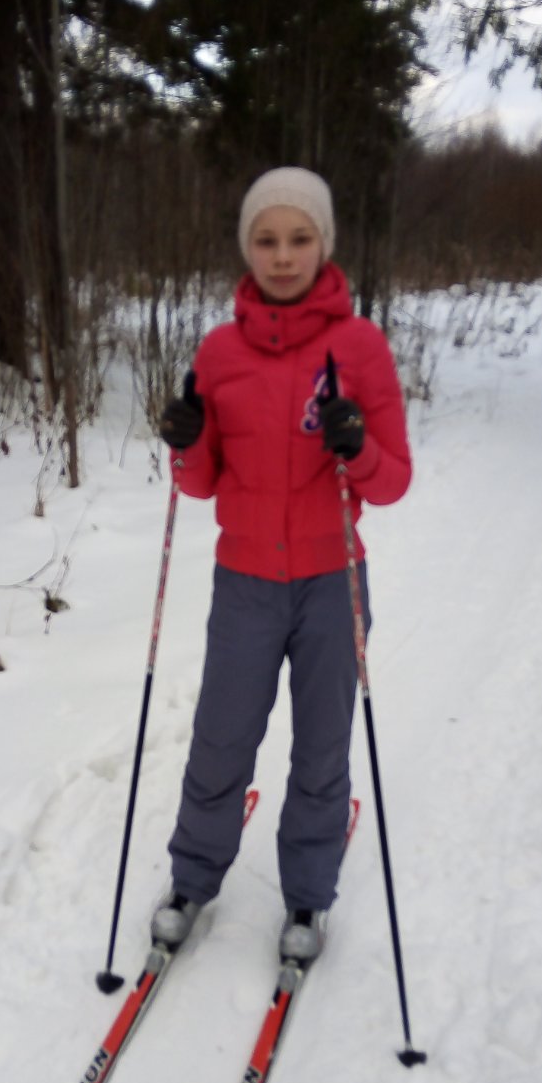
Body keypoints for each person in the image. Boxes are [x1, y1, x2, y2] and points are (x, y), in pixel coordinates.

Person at [151, 166, 412, 964]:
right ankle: (194, 876)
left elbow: (393, 478)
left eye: (300, 238)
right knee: (221, 737)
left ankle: (308, 892)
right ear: (247, 249)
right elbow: (197, 484)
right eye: (266, 239)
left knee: (323, 744)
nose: (283, 255)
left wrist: (355, 443)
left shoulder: (360, 347)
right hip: (245, 584)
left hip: (333, 580)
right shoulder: (220, 352)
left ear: (324, 245)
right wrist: (187, 436)